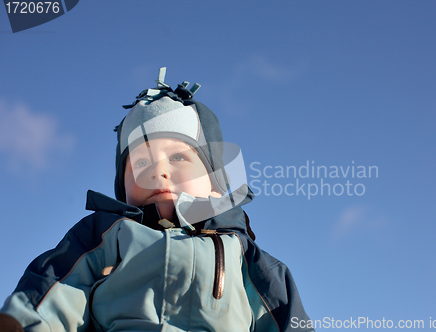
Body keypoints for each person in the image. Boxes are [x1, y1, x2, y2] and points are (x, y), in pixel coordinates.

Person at [0, 68, 314, 332]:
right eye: (140, 163)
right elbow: (52, 294)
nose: (158, 171)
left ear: (216, 184)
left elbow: (286, 320)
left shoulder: (247, 259)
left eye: (178, 156)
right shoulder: (107, 235)